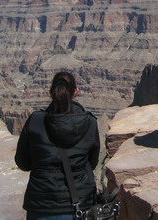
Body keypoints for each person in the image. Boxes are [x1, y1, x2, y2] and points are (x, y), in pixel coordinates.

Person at [15, 71, 100, 220]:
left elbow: (23, 163)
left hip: (41, 207)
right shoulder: (90, 123)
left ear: (51, 92)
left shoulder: (35, 121)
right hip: (80, 207)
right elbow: (92, 163)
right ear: (76, 91)